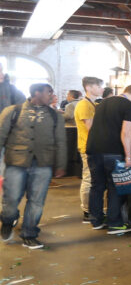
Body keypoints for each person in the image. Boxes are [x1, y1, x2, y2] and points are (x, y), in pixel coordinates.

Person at [0, 83, 66, 249]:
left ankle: (29, 233)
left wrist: (61, 164)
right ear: (36, 93)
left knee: (36, 201)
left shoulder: (55, 115)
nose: (51, 95)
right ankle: (8, 220)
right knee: (11, 199)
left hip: (43, 164)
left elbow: (61, 141)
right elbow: (0, 136)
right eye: (48, 92)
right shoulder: (12, 111)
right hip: (16, 163)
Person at [86, 84, 131, 235]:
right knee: (116, 187)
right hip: (113, 152)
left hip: (93, 150)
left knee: (96, 186)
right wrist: (127, 156)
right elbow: (126, 132)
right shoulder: (129, 106)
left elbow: (91, 126)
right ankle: (115, 223)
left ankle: (96, 220)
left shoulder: (103, 102)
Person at [73, 77, 104, 222]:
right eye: (99, 86)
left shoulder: (92, 104)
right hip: (88, 147)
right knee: (89, 179)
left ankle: (91, 208)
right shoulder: (84, 105)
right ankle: (87, 210)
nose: (101, 89)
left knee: (94, 179)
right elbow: (91, 128)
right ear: (89, 87)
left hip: (94, 147)